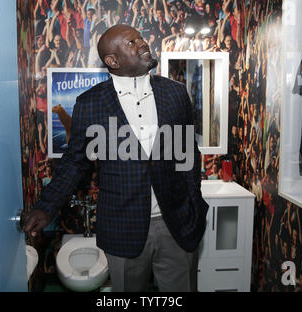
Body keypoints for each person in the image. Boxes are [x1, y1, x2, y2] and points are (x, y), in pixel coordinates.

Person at [23, 24, 208, 292]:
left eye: (141, 38)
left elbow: (188, 152)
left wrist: (194, 200)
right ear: (113, 60)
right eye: (132, 42)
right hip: (123, 228)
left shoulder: (175, 93)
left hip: (178, 225)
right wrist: (46, 206)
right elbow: (75, 162)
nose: (143, 44)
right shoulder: (90, 103)